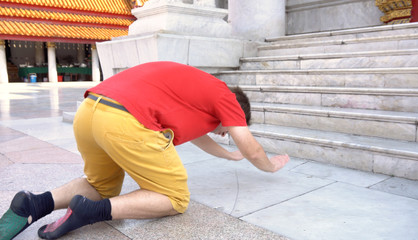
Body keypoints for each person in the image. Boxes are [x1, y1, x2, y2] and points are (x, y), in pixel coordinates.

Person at [0, 61, 289, 239]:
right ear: (237, 111)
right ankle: (91, 212)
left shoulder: (198, 91)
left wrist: (228, 155)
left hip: (90, 110)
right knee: (175, 198)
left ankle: (35, 203)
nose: (224, 133)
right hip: (124, 119)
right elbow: (251, 148)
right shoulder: (225, 95)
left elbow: (200, 137)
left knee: (101, 185)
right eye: (228, 129)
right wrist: (270, 165)